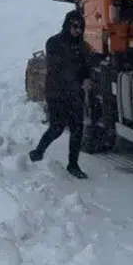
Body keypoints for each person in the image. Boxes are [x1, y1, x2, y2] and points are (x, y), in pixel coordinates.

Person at [29, 9, 91, 179]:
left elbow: (86, 68)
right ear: (67, 25)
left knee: (77, 129)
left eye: (81, 27)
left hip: (75, 94)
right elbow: (57, 67)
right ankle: (38, 152)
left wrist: (86, 79)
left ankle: (73, 164)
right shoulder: (53, 43)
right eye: (75, 26)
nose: (78, 30)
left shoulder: (83, 47)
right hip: (56, 93)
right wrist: (72, 77)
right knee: (57, 128)